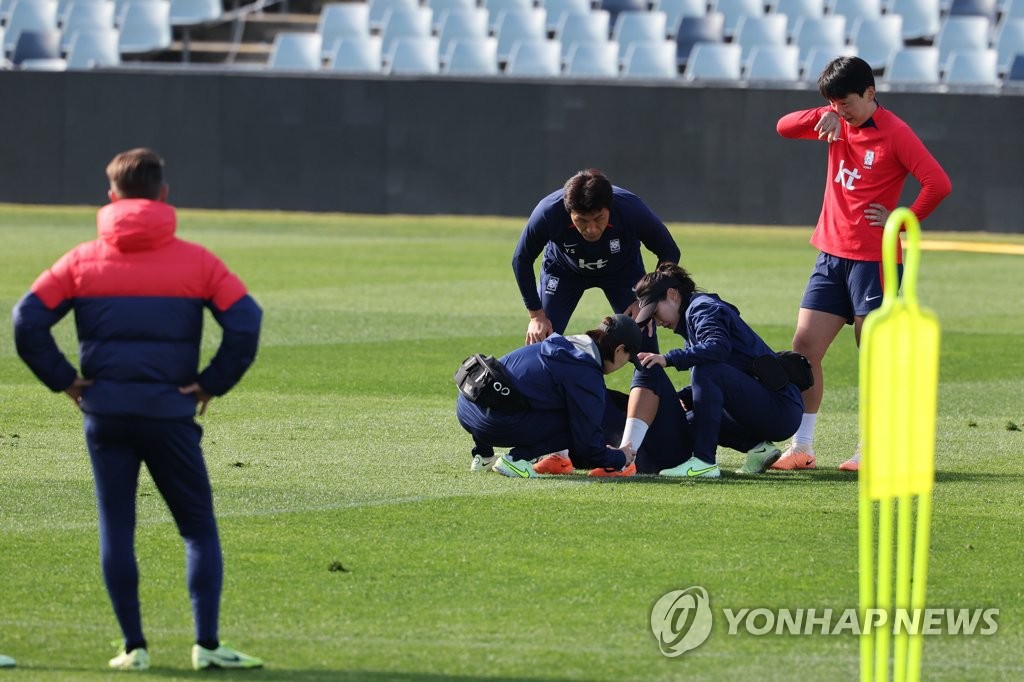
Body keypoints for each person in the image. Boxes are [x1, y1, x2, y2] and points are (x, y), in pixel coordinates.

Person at [12, 149, 264, 672]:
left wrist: (65, 380)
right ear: (164, 194)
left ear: (111, 197)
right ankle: (207, 645)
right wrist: (211, 384)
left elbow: (26, 320)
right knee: (196, 529)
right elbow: (246, 321)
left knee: (116, 529)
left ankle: (134, 648)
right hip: (170, 414)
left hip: (104, 416)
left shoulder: (81, 260)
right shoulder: (198, 261)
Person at [775, 56, 951, 472]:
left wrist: (901, 220)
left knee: (874, 354)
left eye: (845, 102)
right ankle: (801, 446)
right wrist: (825, 115)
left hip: (875, 260)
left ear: (870, 93)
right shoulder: (833, 122)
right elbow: (783, 126)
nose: (839, 110)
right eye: (832, 103)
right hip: (830, 256)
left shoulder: (896, 133)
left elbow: (938, 182)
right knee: (804, 350)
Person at [511, 169, 681, 474]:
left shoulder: (630, 209)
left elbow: (670, 251)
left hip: (623, 275)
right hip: (564, 273)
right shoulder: (548, 212)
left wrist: (647, 298)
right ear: (568, 213)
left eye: (598, 220)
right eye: (581, 222)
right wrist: (536, 314)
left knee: (644, 355)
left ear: (610, 208)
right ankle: (556, 453)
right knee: (544, 352)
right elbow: (521, 259)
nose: (590, 229)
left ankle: (628, 456)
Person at [457, 314, 690, 477]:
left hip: (467, 407)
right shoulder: (586, 374)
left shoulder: (564, 343)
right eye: (628, 359)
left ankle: (483, 456)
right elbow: (588, 444)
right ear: (619, 350)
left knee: (524, 395)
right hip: (494, 423)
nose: (624, 365)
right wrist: (620, 458)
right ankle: (516, 460)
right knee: (576, 421)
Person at [634, 264, 804, 478]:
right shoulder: (691, 316)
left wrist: (667, 358)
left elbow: (718, 348)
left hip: (781, 408)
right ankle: (759, 448)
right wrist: (682, 397)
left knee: (707, 371)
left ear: (672, 294)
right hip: (766, 405)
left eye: (655, 311)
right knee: (690, 418)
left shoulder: (702, 308)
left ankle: (705, 462)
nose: (657, 321)